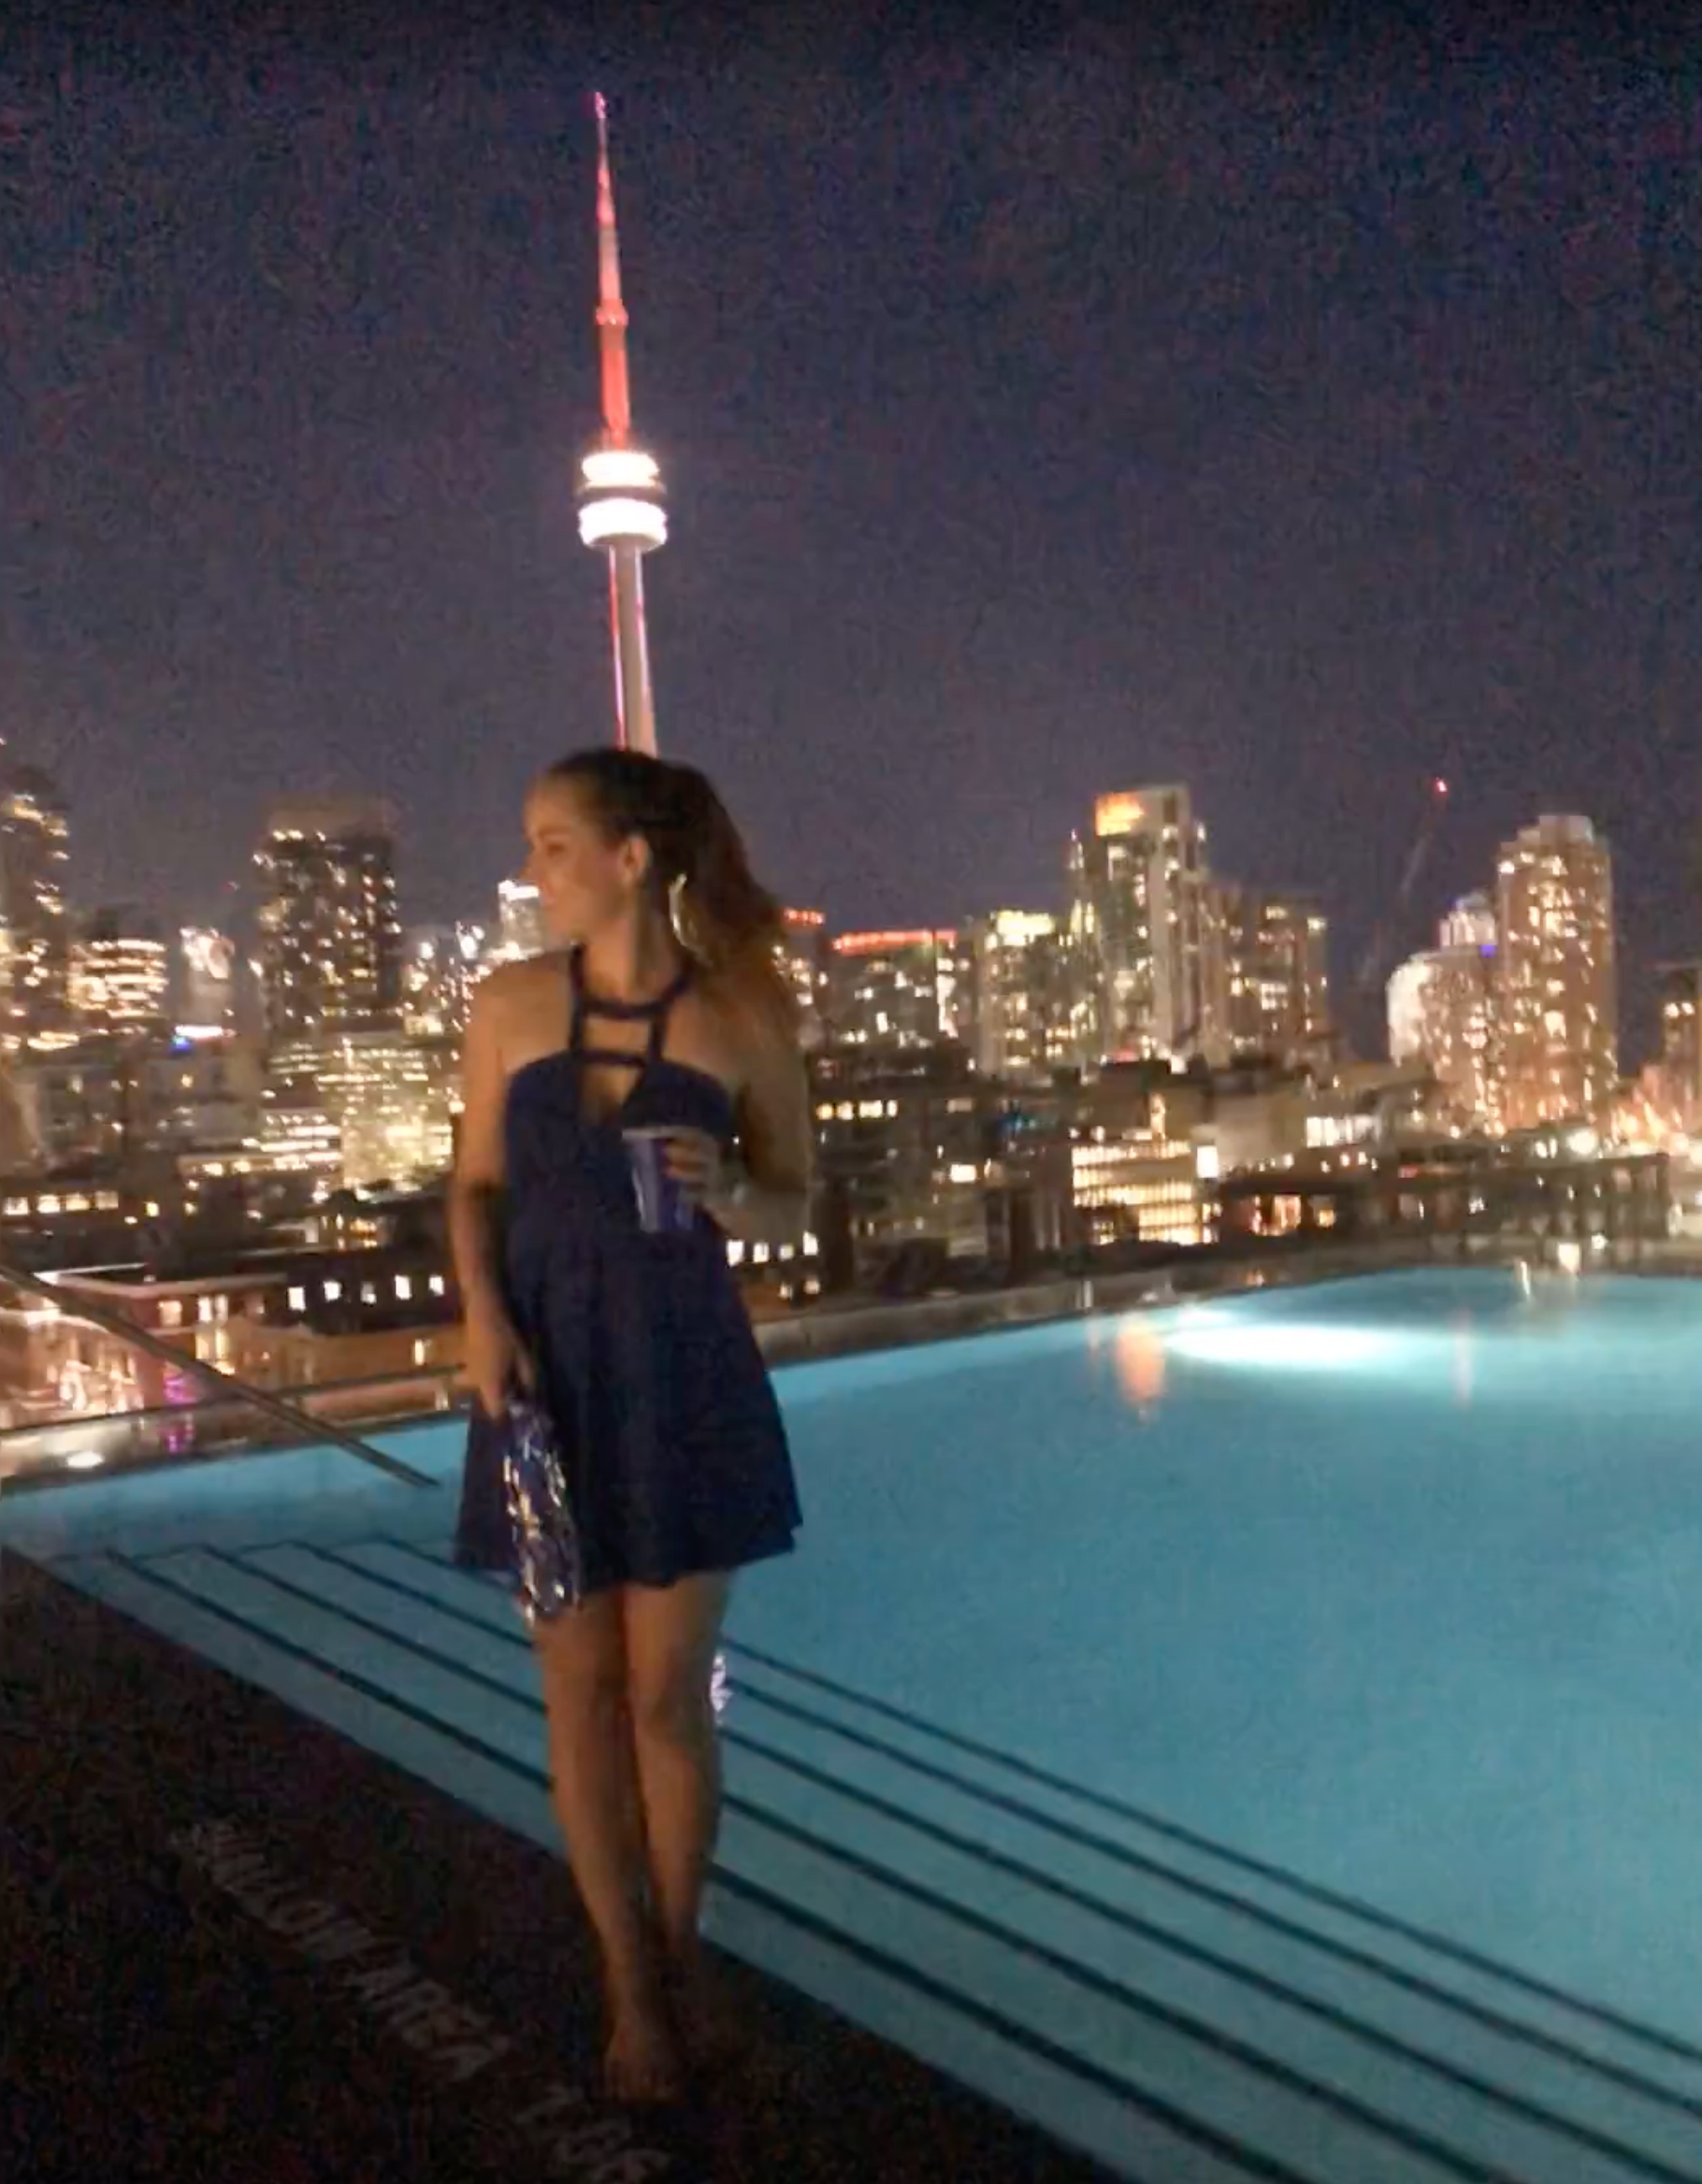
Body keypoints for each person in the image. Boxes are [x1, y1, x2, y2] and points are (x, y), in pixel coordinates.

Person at [449, 749, 807, 2103]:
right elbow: (473, 1186)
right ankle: (628, 1989)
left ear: (632, 859)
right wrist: (481, 1318)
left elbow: (798, 1205)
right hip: (542, 1383)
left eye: (552, 844)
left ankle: (682, 1950)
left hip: (685, 1375)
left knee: (666, 1696)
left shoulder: (745, 1020)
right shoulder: (506, 1005)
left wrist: (735, 1191)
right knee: (578, 1693)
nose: (534, 869)